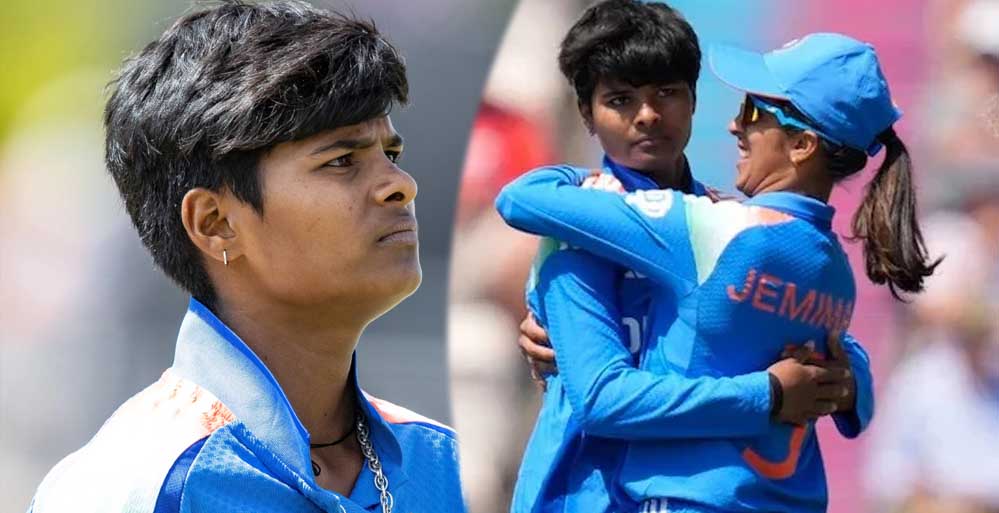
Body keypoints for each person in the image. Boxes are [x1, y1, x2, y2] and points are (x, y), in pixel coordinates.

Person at [27, 2, 463, 512]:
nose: (400, 185)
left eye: (390, 155)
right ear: (215, 223)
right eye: (341, 160)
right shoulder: (134, 484)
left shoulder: (445, 465)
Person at [498, 31, 939, 513]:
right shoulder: (833, 268)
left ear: (802, 144)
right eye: (621, 99)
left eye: (753, 112)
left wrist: (586, 181)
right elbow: (847, 373)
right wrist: (851, 387)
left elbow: (520, 198)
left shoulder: (709, 228)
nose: (734, 125)